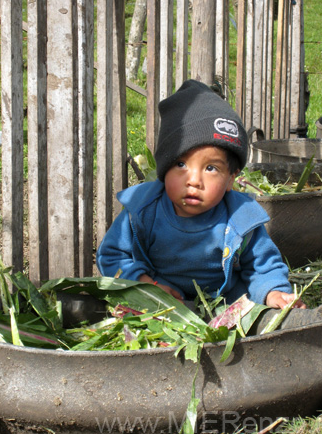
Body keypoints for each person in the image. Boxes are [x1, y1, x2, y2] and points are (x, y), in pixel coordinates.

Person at [97, 79, 305, 310]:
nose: (194, 180)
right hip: (161, 304)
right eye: (181, 164)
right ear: (164, 168)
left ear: (231, 179)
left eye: (211, 168)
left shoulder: (241, 219)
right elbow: (112, 255)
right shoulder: (142, 210)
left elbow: (262, 266)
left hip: (226, 304)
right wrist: (146, 285)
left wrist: (273, 291)